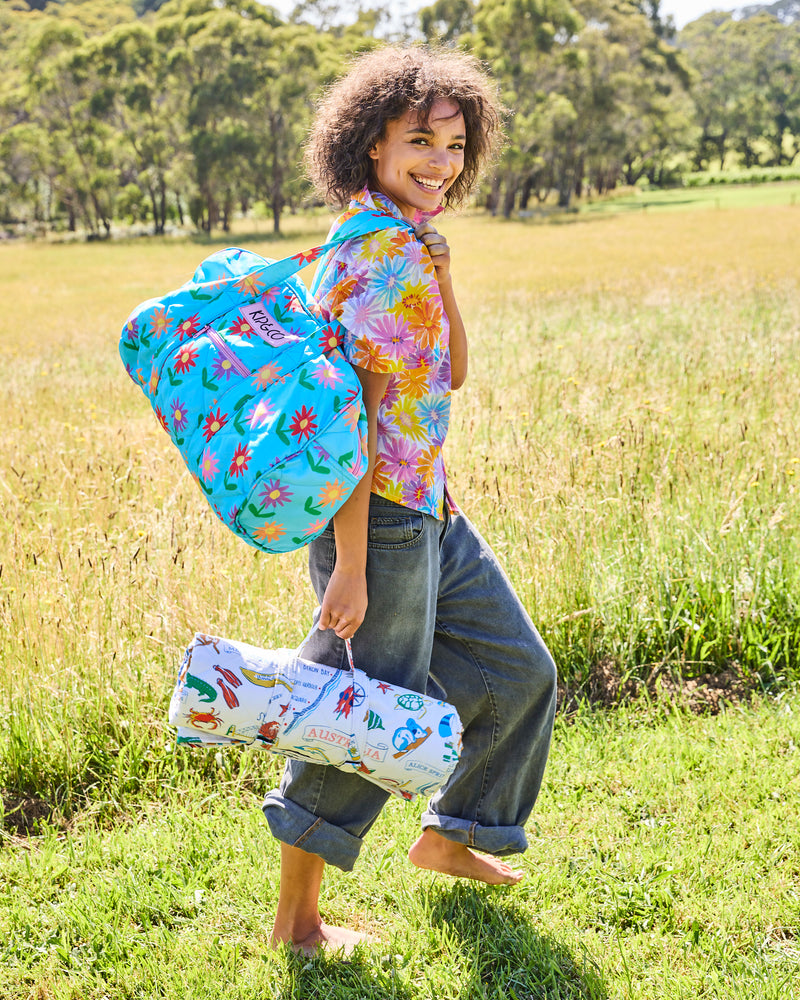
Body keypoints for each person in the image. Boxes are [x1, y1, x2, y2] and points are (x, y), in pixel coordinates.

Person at [262, 46, 557, 954]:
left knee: (519, 673)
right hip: (377, 523)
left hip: (426, 509)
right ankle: (298, 925)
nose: (441, 160)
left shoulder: (406, 246)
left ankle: (456, 832)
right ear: (371, 144)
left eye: (456, 143)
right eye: (420, 140)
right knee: (356, 716)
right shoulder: (377, 253)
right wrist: (350, 562)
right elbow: (354, 418)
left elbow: (450, 377)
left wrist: (447, 270)